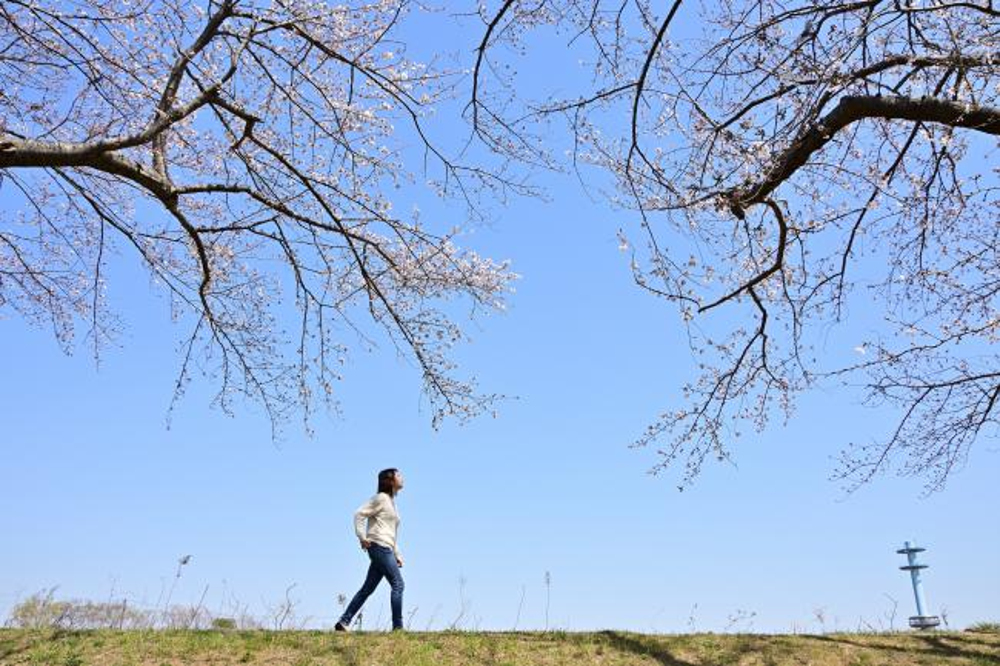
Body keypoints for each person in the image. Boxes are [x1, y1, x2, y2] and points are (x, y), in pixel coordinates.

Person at [335, 468, 405, 631]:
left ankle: (343, 622)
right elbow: (359, 514)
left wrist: (397, 554)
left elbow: (391, 532)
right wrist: (362, 537)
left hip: (386, 547)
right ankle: (398, 627)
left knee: (367, 589)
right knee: (398, 584)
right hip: (379, 546)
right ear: (390, 480)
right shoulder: (381, 498)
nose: (402, 478)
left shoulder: (391, 502)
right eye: (399, 475)